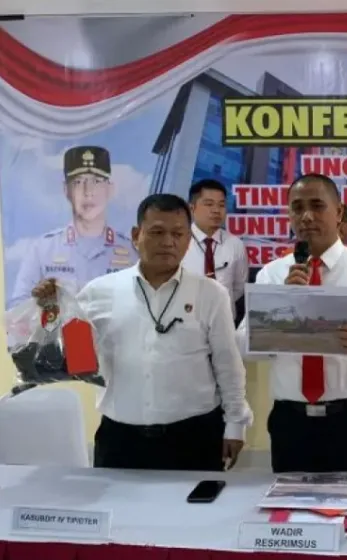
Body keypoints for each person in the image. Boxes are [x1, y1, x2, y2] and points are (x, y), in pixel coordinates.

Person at [31, 194, 252, 471]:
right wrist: (51, 311)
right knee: (117, 501)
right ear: (137, 235)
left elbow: (228, 364)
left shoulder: (211, 294)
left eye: (178, 234)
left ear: (188, 240)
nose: (168, 242)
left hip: (194, 437)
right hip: (121, 439)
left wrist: (235, 424)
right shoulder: (99, 292)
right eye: (157, 232)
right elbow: (71, 357)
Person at [238, 173, 347, 473]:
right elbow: (243, 346)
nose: (306, 216)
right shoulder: (271, 274)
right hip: (291, 420)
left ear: (338, 212)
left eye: (317, 206)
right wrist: (279, 305)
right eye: (297, 208)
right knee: (290, 501)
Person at [10, 146, 138, 308]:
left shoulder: (132, 253)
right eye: (78, 182)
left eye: (96, 181)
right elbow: (17, 309)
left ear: (110, 189)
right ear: (66, 190)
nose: (88, 192)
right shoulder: (43, 250)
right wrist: (39, 303)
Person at [181, 179, 248, 319]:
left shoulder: (236, 244)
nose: (216, 210)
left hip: (224, 323)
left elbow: (239, 288)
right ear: (191, 208)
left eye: (221, 205)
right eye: (209, 204)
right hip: (185, 321)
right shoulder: (178, 241)